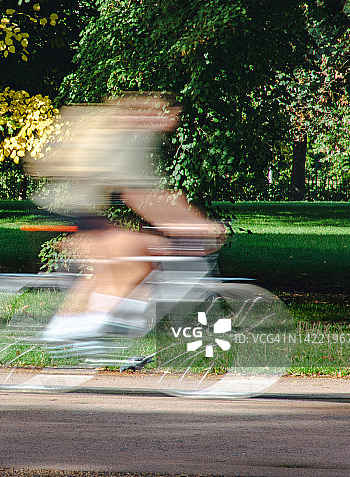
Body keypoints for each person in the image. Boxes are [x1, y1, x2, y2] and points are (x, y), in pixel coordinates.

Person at [26, 93, 224, 342]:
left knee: (124, 260)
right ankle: (74, 331)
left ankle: (83, 327)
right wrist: (196, 226)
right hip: (70, 203)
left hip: (69, 202)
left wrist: (186, 221)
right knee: (136, 255)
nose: (174, 120)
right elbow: (140, 195)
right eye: (170, 112)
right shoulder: (128, 136)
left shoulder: (117, 127)